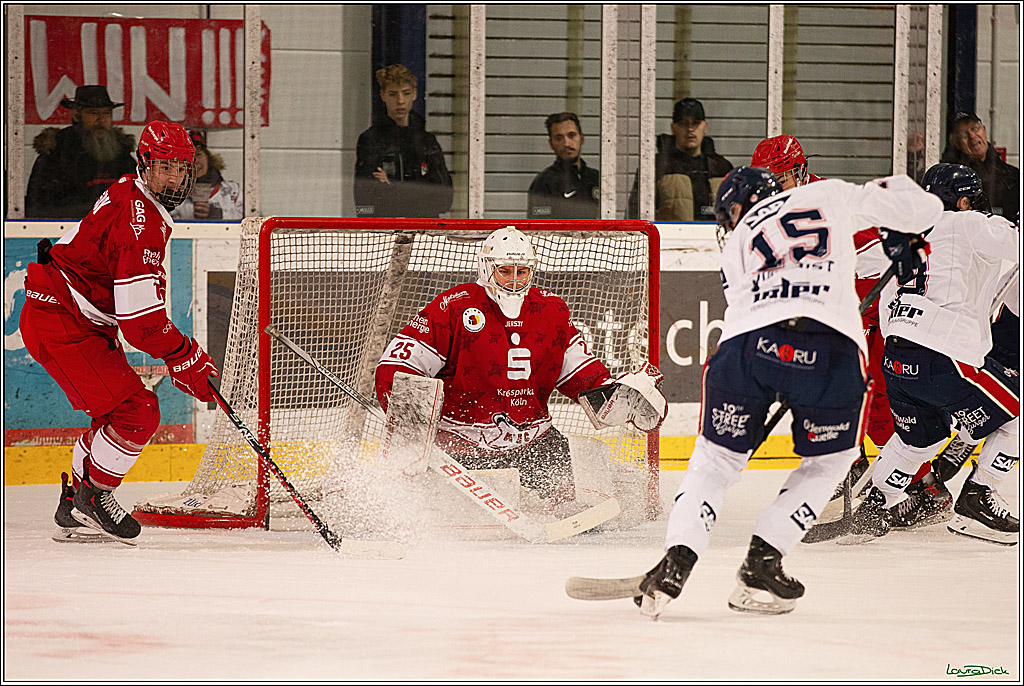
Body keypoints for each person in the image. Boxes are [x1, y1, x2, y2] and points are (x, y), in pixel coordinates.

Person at [634, 167, 943, 619]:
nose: (730, 223)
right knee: (829, 464)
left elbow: (751, 306)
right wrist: (902, 232)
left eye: (729, 214)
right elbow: (925, 204)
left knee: (714, 462)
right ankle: (764, 560)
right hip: (830, 350)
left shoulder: (738, 244)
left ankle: (677, 559)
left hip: (747, 347)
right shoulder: (828, 192)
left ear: (739, 206)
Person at [20, 121, 220, 544]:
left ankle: (74, 498)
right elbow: (142, 325)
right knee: (137, 412)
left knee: (116, 415)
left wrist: (181, 357)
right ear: (144, 163)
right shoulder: (140, 224)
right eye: (163, 166)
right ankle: (94, 496)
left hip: (69, 315)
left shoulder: (133, 193)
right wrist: (185, 356)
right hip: (63, 319)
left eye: (181, 167)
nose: (172, 177)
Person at [374, 226, 667, 510]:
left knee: (580, 508)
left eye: (522, 271)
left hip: (534, 443)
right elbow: (396, 368)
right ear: (487, 268)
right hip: (461, 447)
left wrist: (624, 399)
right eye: (505, 271)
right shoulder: (454, 307)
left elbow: (583, 376)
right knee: (455, 524)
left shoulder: (551, 310)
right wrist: (413, 429)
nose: (514, 280)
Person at [851, 163, 1019, 546]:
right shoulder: (970, 223)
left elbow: (858, 260)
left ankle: (879, 502)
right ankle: (978, 497)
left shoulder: (903, 233)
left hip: (896, 361)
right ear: (962, 201)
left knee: (918, 441)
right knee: (1017, 414)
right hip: (944, 355)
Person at [354, 64, 453, 218]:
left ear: (414, 94)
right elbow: (365, 203)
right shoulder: (371, 140)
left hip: (424, 232)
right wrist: (421, 190)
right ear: (383, 95)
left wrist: (391, 187)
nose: (400, 101)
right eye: (393, 94)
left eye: (406, 93)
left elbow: (444, 200)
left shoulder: (427, 142)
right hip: (383, 232)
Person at [25, 85, 138, 219]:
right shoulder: (57, 155)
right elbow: (38, 208)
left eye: (106, 113)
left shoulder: (121, 155)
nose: (101, 120)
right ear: (76, 116)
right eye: (93, 113)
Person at [627, 97, 733, 221]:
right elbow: (635, 214)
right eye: (683, 123)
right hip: (670, 239)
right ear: (673, 128)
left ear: (705, 127)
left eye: (696, 123)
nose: (690, 129)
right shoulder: (656, 167)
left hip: (715, 238)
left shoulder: (721, 168)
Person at [941, 112, 1019, 221]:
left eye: (975, 129)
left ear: (984, 130)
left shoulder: (1012, 175)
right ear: (956, 142)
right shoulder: (950, 180)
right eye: (964, 134)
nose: (972, 136)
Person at [527, 112, 600, 219]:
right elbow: (538, 228)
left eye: (571, 135)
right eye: (559, 138)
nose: (566, 143)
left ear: (582, 139)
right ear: (551, 144)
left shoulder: (596, 178)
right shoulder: (543, 182)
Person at [170, 130, 243, 221]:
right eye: (188, 157)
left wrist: (217, 214)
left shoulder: (233, 190)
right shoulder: (170, 195)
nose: (194, 161)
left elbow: (252, 222)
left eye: (198, 155)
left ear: (208, 157)